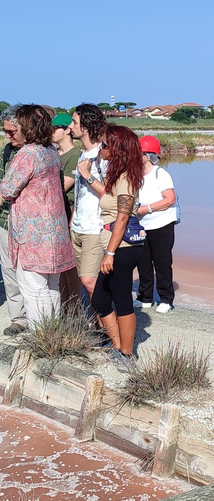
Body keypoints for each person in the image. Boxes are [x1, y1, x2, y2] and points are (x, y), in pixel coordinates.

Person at [0, 105, 76, 326]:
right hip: (54, 229)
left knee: (33, 286)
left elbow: (9, 189)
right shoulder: (51, 151)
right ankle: (52, 333)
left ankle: (40, 335)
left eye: (14, 129)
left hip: (32, 232)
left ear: (26, 127)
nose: (10, 134)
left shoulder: (28, 153)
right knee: (51, 285)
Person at [90, 125, 145, 370]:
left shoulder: (125, 178)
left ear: (118, 149)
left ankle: (127, 354)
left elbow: (122, 217)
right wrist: (89, 177)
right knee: (101, 300)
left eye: (104, 144)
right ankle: (117, 347)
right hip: (115, 246)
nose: (101, 148)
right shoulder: (118, 175)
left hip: (121, 247)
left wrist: (110, 253)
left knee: (121, 299)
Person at [0, 105, 27, 335]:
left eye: (11, 131)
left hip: (29, 224)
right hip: (6, 220)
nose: (7, 136)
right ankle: (18, 319)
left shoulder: (39, 152)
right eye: (5, 131)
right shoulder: (7, 151)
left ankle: (38, 320)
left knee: (31, 274)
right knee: (9, 270)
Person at [135, 135, 178, 314]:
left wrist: (148, 208)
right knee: (142, 262)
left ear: (147, 155)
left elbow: (170, 199)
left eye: (139, 152)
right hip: (141, 225)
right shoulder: (134, 174)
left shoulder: (161, 173)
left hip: (161, 224)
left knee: (162, 262)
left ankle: (166, 298)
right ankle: (144, 297)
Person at [69, 104, 108, 302]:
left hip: (95, 227)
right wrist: (73, 217)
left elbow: (110, 194)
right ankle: (96, 323)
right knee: (84, 281)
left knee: (89, 281)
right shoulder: (83, 153)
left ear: (85, 126)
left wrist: (88, 176)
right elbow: (79, 191)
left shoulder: (103, 156)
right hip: (78, 226)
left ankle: (106, 327)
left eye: (75, 122)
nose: (70, 126)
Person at [52, 112, 82, 308]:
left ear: (67, 130)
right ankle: (64, 304)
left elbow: (64, 186)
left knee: (71, 264)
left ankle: (74, 306)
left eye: (55, 129)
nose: (51, 132)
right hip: (55, 214)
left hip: (68, 212)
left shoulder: (75, 155)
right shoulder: (53, 153)